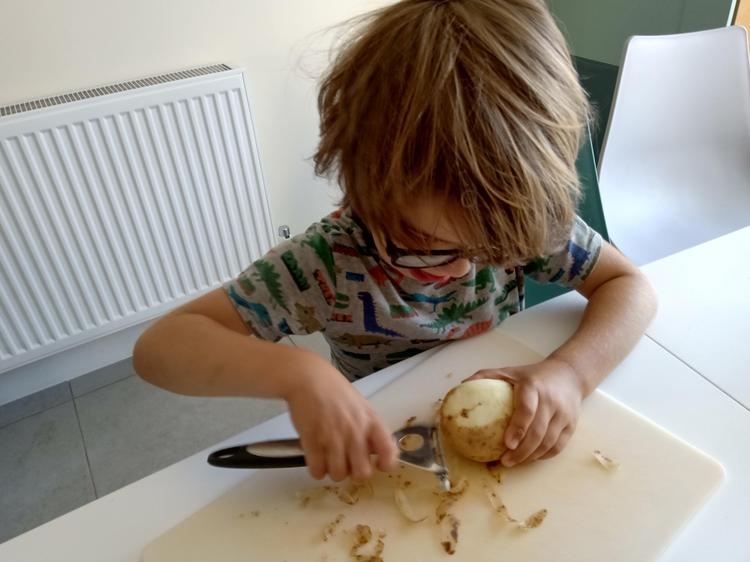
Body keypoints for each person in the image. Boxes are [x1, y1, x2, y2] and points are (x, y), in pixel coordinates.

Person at [133, 0, 657, 484]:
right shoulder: (325, 263)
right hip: (378, 431)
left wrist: (571, 373)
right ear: (369, 193)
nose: (461, 270)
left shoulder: (520, 217)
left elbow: (630, 286)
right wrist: (297, 374)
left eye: (493, 251)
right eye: (425, 243)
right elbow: (161, 348)